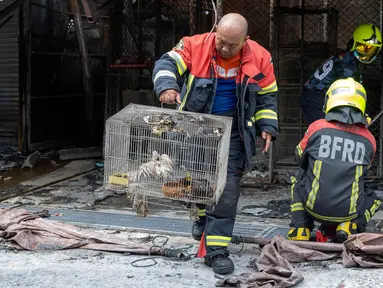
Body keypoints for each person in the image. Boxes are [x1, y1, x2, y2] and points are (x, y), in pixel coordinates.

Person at [152, 13, 279, 274]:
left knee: (226, 190)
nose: (224, 48)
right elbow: (166, 64)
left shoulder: (260, 57)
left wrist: (267, 126)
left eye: (232, 44)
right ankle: (201, 218)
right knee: (197, 182)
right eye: (221, 41)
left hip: (234, 133)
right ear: (215, 32)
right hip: (194, 130)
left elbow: (267, 96)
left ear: (246, 40)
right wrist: (167, 86)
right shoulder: (194, 45)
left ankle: (217, 251)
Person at [289, 77, 382, 243]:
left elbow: (299, 158)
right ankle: (350, 226)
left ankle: (300, 227)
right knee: (374, 198)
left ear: (330, 100)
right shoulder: (369, 139)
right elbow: (363, 170)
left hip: (313, 208)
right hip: (349, 211)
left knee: (298, 177)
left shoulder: (316, 127)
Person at [300, 23, 382, 125]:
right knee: (326, 131)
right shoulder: (347, 65)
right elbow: (348, 96)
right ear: (353, 44)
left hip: (314, 96)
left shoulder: (345, 57)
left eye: (371, 50)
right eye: (363, 48)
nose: (366, 54)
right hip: (314, 100)